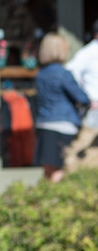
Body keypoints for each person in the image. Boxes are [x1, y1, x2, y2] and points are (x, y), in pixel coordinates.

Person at [35, 32, 94, 182]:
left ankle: (48, 199)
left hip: (43, 123)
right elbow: (82, 98)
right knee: (61, 169)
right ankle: (57, 201)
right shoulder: (63, 74)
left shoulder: (40, 74)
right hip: (63, 125)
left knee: (48, 169)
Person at [64, 20, 98, 171]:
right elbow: (69, 74)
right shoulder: (89, 52)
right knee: (85, 149)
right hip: (94, 110)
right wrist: (84, 98)